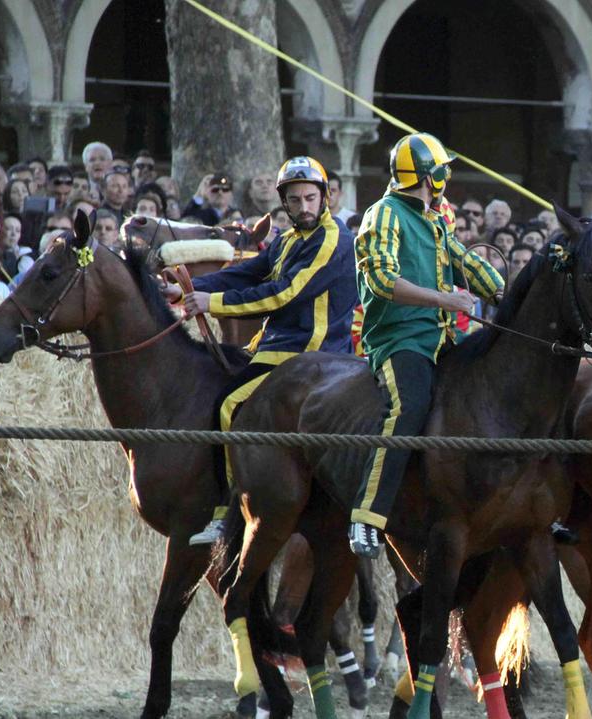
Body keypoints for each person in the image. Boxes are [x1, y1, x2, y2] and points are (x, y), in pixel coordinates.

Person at [170, 156, 360, 545]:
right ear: (284, 203)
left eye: (310, 198)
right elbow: (247, 273)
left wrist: (211, 303)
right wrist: (189, 289)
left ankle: (225, 513)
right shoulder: (288, 240)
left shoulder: (334, 239)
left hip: (310, 354)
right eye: (295, 200)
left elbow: (283, 294)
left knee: (227, 404)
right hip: (275, 347)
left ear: (324, 197)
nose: (304, 207)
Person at [347, 133, 504, 558]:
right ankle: (367, 516)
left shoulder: (434, 219)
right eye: (442, 172)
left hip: (443, 338)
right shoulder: (383, 213)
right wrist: (444, 300)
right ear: (429, 177)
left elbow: (462, 260)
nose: (446, 179)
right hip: (397, 339)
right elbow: (381, 281)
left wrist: (504, 293)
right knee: (409, 407)